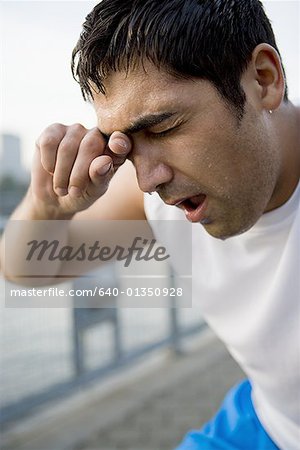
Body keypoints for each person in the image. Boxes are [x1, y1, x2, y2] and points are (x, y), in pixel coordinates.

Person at [1, 0, 299, 448]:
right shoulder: (161, 197)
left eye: (163, 130)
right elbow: (28, 268)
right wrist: (48, 207)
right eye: (128, 146)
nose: (147, 178)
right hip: (267, 419)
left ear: (263, 79)